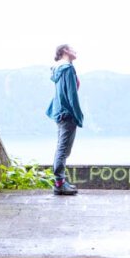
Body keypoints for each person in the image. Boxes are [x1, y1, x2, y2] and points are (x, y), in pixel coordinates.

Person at [46, 43, 83, 195]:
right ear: (65, 51)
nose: (76, 51)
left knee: (62, 148)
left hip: (59, 112)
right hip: (67, 113)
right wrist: (78, 115)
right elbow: (71, 95)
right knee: (63, 149)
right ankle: (59, 184)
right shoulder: (67, 68)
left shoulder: (57, 69)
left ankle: (60, 182)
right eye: (73, 48)